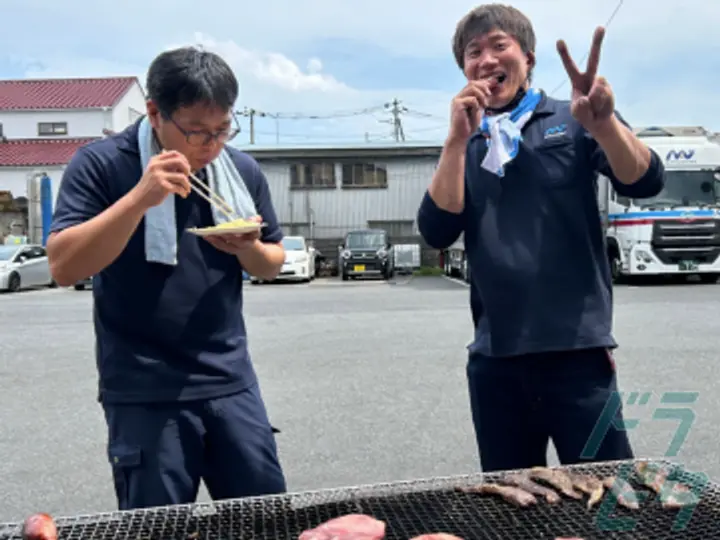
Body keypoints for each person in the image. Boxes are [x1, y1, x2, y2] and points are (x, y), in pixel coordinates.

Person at [417, 4, 665, 472]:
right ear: (464, 69)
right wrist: (454, 142)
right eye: (474, 52)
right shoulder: (465, 139)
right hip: (496, 357)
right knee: (514, 504)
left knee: (608, 490)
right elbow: (436, 230)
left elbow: (644, 180)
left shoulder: (575, 115)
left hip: (578, 354)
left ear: (528, 58)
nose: (486, 60)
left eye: (499, 46)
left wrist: (603, 125)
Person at [47, 46, 288, 509]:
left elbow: (272, 263)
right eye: (197, 132)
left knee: (264, 517)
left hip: (230, 380)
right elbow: (63, 267)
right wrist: (140, 197)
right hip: (143, 389)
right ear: (155, 113)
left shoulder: (238, 171)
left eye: (222, 129)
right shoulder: (102, 164)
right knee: (158, 526)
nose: (211, 145)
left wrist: (249, 248)